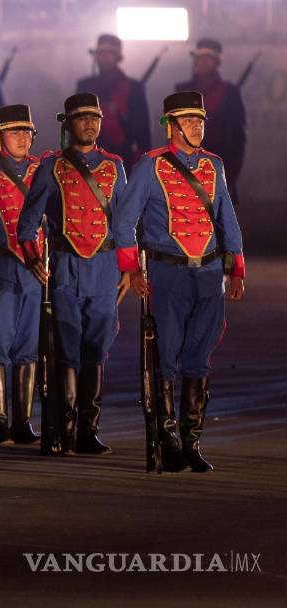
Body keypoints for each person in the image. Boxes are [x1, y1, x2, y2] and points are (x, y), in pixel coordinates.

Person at [113, 91, 245, 472]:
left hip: (207, 274)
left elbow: (228, 220)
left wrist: (236, 269)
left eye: (199, 120)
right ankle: (168, 441)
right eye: (188, 121)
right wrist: (132, 268)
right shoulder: (151, 165)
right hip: (167, 273)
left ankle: (192, 442)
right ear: (171, 125)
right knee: (166, 357)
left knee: (199, 358)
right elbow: (124, 221)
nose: (196, 126)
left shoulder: (214, 166)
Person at [17, 93, 129, 457]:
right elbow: (27, 223)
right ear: (68, 124)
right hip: (65, 268)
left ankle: (88, 430)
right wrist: (34, 257)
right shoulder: (52, 167)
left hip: (104, 267)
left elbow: (126, 223)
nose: (91, 124)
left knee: (96, 349)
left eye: (95, 117)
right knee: (66, 350)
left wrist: (130, 266)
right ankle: (62, 429)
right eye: (82, 118)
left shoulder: (114, 167)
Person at [0, 105, 44, 445]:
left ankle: (23, 420)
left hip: (34, 269)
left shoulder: (43, 169)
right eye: (14, 133)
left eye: (26, 133)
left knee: (28, 347)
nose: (22, 139)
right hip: (0, 266)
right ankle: (0, 421)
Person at [174, 39, 246, 206]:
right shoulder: (182, 90)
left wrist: (232, 172)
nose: (202, 62)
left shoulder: (230, 92)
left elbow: (237, 136)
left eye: (208, 58)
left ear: (216, 62)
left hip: (220, 164)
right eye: (199, 58)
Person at [75, 34, 151, 172]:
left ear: (117, 57)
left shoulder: (133, 88)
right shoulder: (84, 86)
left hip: (124, 159)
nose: (104, 57)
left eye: (109, 53)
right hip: (89, 158)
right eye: (101, 53)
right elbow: (74, 125)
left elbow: (142, 130)